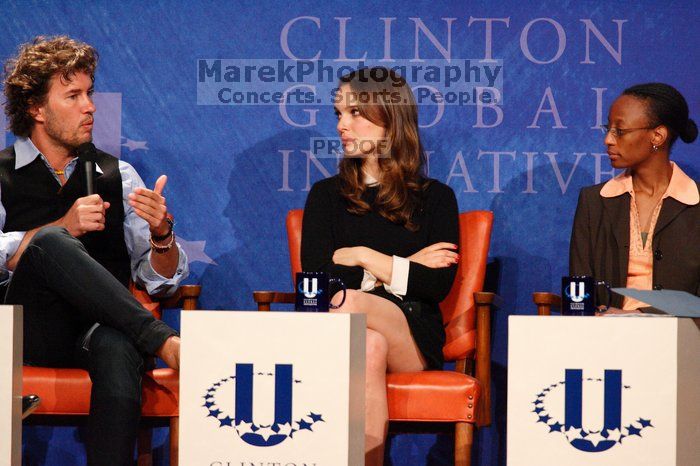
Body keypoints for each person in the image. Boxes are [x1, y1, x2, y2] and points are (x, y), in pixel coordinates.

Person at [1, 36, 188, 465]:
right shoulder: (2, 172)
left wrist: (162, 235)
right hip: (26, 330)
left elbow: (156, 282)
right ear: (36, 109)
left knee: (118, 349)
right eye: (73, 96)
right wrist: (60, 228)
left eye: (90, 93)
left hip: (98, 328)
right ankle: (164, 342)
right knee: (50, 242)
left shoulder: (117, 174)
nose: (90, 106)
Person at [301, 67, 459, 465]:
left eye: (355, 113)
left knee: (347, 303)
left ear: (390, 119)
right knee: (367, 344)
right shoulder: (325, 196)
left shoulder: (435, 198)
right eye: (338, 114)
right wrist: (403, 266)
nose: (342, 125)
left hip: (412, 333)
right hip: (347, 335)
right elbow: (316, 281)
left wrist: (362, 257)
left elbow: (436, 285)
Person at [570, 83, 699, 313]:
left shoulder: (695, 204)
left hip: (683, 339)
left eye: (619, 131)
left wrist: (641, 317)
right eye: (607, 129)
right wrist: (592, 315)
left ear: (657, 136)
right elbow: (578, 292)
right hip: (606, 339)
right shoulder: (594, 201)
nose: (608, 140)